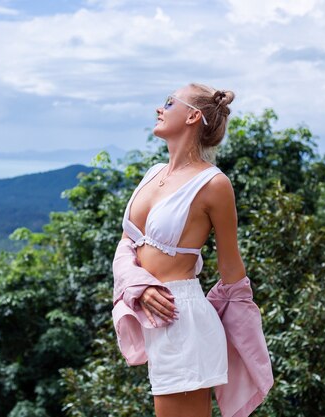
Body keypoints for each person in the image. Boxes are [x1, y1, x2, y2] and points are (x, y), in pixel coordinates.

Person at [113, 83, 272, 416]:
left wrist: (244, 338)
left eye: (169, 102)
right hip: (155, 314)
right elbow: (127, 244)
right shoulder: (153, 173)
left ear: (193, 116)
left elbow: (231, 269)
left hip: (181, 319)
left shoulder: (214, 184)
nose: (160, 108)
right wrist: (135, 285)